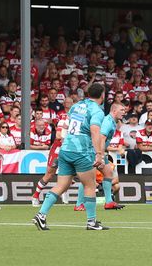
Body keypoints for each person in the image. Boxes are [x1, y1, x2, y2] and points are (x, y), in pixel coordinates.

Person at [33, 83, 108, 231]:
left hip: (66, 148)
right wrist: (99, 154)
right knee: (90, 185)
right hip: (82, 151)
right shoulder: (97, 111)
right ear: (102, 95)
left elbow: (68, 125)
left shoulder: (77, 105)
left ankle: (41, 214)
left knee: (61, 185)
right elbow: (94, 132)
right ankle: (91, 222)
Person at [75, 102, 127, 211]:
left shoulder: (112, 121)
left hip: (98, 151)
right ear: (114, 111)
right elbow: (101, 138)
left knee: (108, 173)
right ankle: (79, 204)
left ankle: (108, 202)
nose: (124, 112)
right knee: (89, 177)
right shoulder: (108, 122)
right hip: (93, 151)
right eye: (122, 110)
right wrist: (100, 155)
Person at [31, 111, 70, 207]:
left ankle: (65, 194)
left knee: (72, 174)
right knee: (49, 175)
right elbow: (58, 136)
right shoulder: (63, 121)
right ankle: (35, 196)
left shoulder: (79, 123)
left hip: (69, 150)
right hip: (58, 149)